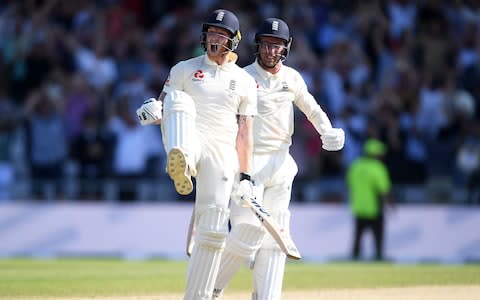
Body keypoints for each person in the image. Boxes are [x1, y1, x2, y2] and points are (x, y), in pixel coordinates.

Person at [212, 18, 345, 300]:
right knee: (247, 232)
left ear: (286, 48)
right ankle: (209, 289)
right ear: (258, 46)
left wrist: (328, 130)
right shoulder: (241, 76)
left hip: (281, 162)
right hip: (248, 162)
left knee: (276, 238)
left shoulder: (292, 78)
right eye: (267, 45)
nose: (272, 51)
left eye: (278, 46)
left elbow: (310, 106)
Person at [136, 9, 257, 300]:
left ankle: (198, 296)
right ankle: (183, 163)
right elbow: (164, 106)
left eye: (221, 34)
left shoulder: (243, 81)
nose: (214, 38)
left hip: (222, 149)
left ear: (234, 40)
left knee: (214, 227)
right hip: (188, 136)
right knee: (178, 99)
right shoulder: (183, 69)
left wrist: (246, 176)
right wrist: (153, 110)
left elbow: (245, 133)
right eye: (211, 32)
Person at [346, 138, 392, 261]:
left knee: (358, 236)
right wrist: (390, 204)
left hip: (358, 206)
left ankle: (355, 257)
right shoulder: (378, 168)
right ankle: (378, 256)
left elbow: (349, 184)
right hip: (374, 207)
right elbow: (384, 189)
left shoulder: (355, 165)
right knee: (378, 235)